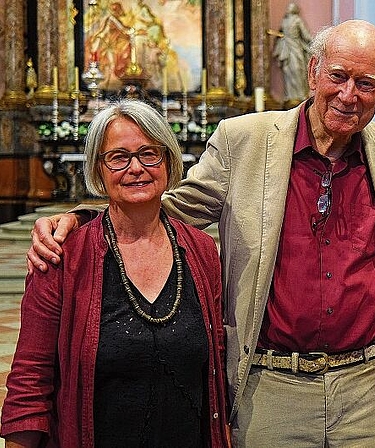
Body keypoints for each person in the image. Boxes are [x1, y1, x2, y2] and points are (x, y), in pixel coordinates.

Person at [28, 21, 375, 447]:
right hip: (272, 386)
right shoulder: (244, 141)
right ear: (312, 73)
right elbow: (165, 205)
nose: (349, 94)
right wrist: (77, 217)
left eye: (367, 83)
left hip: (371, 383)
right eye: (338, 76)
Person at [1, 99, 229, 448]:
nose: (135, 168)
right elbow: (30, 380)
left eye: (149, 153)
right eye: (118, 157)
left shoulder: (201, 251)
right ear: (99, 169)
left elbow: (214, 365)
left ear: (168, 162)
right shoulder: (62, 256)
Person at [272, 2, 312, 105]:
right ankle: (290, 96)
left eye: (291, 7)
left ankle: (299, 95)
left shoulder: (297, 20)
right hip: (287, 48)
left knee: (298, 69)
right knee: (287, 71)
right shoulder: (284, 21)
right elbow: (280, 32)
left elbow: (305, 35)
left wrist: (315, 42)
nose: (289, 9)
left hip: (295, 47)